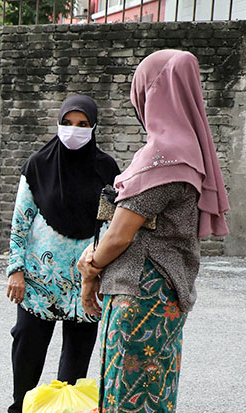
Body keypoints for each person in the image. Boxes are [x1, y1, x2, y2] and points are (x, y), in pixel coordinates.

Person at [78, 49, 230, 413]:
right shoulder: (190, 152)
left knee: (128, 396)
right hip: (165, 294)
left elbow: (119, 235)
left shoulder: (161, 155)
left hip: (140, 293)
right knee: (154, 391)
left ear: (151, 92)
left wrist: (89, 269)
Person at [5, 95, 120, 413]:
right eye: (67, 123)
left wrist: (100, 272)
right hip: (39, 284)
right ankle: (21, 408)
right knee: (27, 350)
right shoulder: (37, 166)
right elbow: (20, 224)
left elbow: (112, 225)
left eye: (83, 125)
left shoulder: (107, 169)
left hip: (87, 283)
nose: (74, 130)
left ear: (94, 127)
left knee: (75, 366)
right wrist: (15, 270)